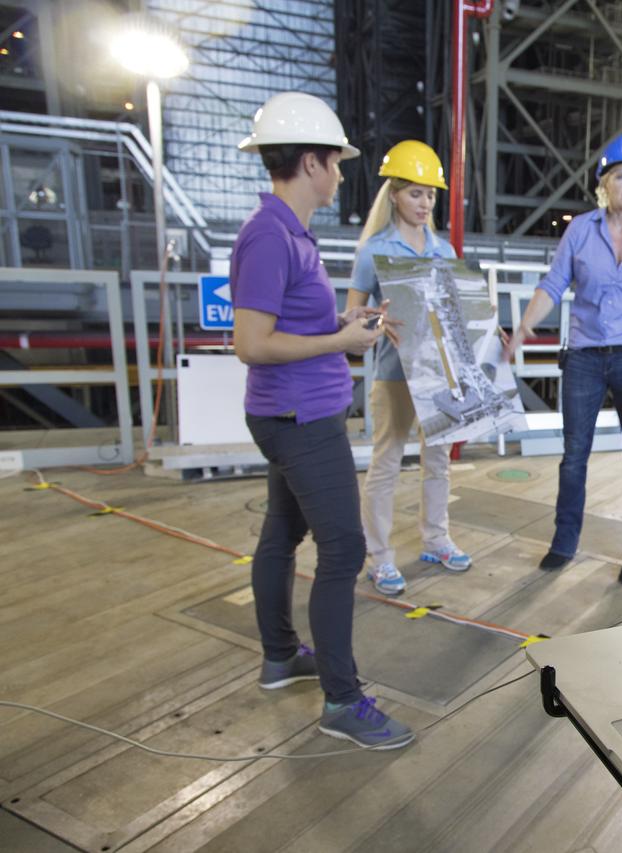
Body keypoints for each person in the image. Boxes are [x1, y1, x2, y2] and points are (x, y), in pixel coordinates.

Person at [231, 91, 413, 749]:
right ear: (311, 161)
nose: (341, 175)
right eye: (336, 162)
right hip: (298, 415)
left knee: (283, 531)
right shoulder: (269, 235)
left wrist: (345, 325)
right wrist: (340, 344)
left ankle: (282, 656)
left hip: (295, 409)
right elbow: (250, 342)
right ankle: (342, 699)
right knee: (345, 548)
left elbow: (289, 325)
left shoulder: (289, 232)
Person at [504, 134, 622, 584]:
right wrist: (523, 328)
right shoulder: (581, 229)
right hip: (583, 357)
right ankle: (564, 543)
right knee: (573, 456)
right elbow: (553, 285)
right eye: (621, 176)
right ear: (605, 183)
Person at [346, 140, 471, 596]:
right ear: (395, 193)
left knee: (438, 462)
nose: (424, 203)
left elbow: (456, 313)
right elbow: (352, 318)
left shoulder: (443, 249)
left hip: (438, 375)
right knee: (387, 463)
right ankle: (379, 558)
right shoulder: (374, 251)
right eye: (415, 193)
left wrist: (482, 329)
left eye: (430, 195)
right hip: (395, 374)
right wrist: (378, 319)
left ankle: (436, 539)